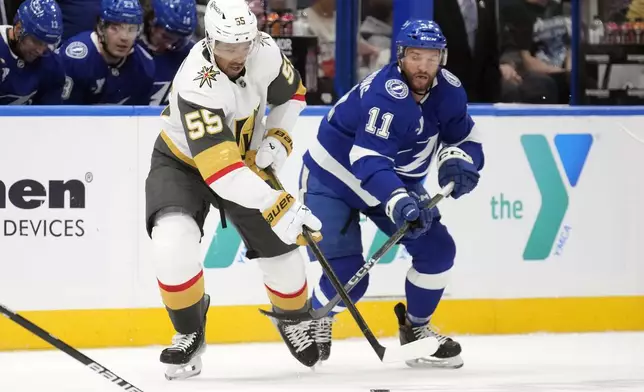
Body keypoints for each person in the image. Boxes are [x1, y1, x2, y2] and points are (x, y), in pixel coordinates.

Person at [144, 0, 321, 380]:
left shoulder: (266, 50)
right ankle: (189, 330)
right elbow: (223, 174)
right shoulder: (197, 82)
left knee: (286, 261)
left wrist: (279, 137)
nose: (238, 55)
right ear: (210, 41)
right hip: (183, 164)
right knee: (171, 243)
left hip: (247, 160)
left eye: (245, 44)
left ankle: (293, 317)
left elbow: (293, 95)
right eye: (228, 47)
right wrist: (279, 203)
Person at [300, 19, 484, 368]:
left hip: (394, 180)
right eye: (416, 57)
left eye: (432, 58)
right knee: (350, 282)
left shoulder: (449, 91)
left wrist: (460, 161)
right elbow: (367, 159)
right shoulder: (387, 95)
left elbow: (466, 140)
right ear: (400, 56)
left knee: (438, 251)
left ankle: (416, 329)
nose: (423, 67)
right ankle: (317, 314)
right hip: (334, 179)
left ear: (441, 58)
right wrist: (399, 201)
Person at [58, 0, 155, 104]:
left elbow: (139, 117)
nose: (124, 37)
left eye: (131, 29)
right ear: (100, 28)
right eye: (115, 28)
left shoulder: (144, 66)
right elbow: (64, 116)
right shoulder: (75, 60)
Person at [0, 0, 65, 104]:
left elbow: (49, 116)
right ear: (18, 29)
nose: (40, 51)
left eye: (46, 44)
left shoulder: (52, 66)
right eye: (36, 41)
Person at [140, 0, 197, 106]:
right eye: (165, 36)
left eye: (178, 39)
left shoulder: (192, 54)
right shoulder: (129, 50)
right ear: (151, 21)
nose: (169, 45)